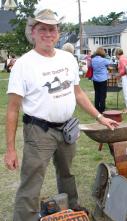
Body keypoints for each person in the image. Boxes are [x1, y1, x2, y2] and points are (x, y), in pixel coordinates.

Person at [4, 9, 119, 221]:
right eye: (43, 29)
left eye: (52, 29)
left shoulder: (68, 59)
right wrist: (10, 150)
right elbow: (12, 109)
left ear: (58, 33)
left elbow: (78, 93)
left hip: (67, 128)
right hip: (39, 131)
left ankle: (71, 206)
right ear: (33, 32)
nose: (48, 34)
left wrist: (100, 117)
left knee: (67, 173)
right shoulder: (23, 64)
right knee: (32, 179)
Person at [91, 47, 112, 113]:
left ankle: (97, 108)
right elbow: (110, 62)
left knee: (97, 94)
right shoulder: (104, 60)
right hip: (103, 79)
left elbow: (90, 66)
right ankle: (102, 109)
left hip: (95, 79)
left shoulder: (93, 60)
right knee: (103, 95)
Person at [115, 48, 127, 113]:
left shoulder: (121, 60)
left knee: (126, 93)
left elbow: (124, 70)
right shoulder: (124, 58)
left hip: (125, 77)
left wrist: (118, 75)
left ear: (117, 54)